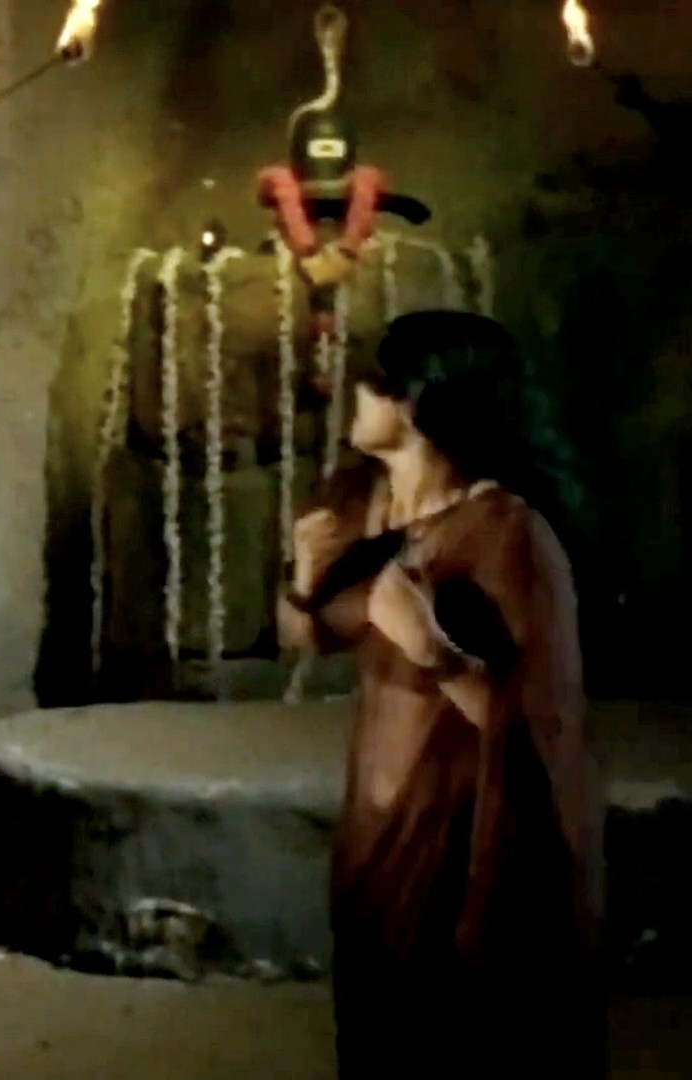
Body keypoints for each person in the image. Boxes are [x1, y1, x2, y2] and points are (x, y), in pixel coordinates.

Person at [277, 310, 605, 1078]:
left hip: (458, 824)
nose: (357, 393)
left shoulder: (508, 533)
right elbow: (310, 635)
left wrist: (431, 648)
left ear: (423, 401)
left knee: (458, 1033)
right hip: (377, 820)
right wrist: (304, 578)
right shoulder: (358, 500)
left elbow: (536, 719)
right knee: (377, 1021)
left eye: (378, 382)